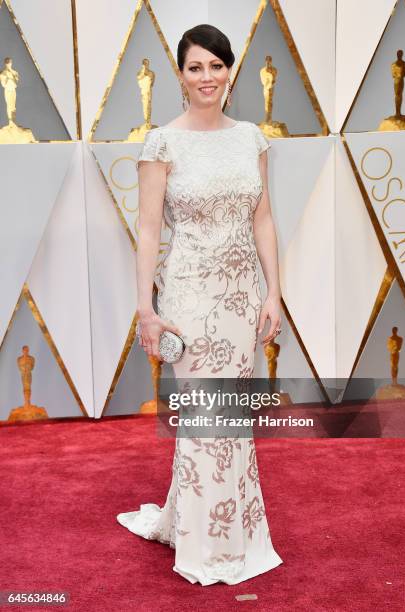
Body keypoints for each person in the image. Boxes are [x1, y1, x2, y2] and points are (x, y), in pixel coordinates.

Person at [117, 24, 284, 586]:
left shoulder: (251, 138)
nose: (206, 77)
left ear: (229, 71)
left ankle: (227, 531)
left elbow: (262, 217)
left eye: (216, 66)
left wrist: (273, 291)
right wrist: (147, 310)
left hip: (241, 300)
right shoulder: (163, 142)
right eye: (195, 67)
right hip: (189, 296)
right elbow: (146, 232)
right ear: (181, 76)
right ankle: (206, 544)